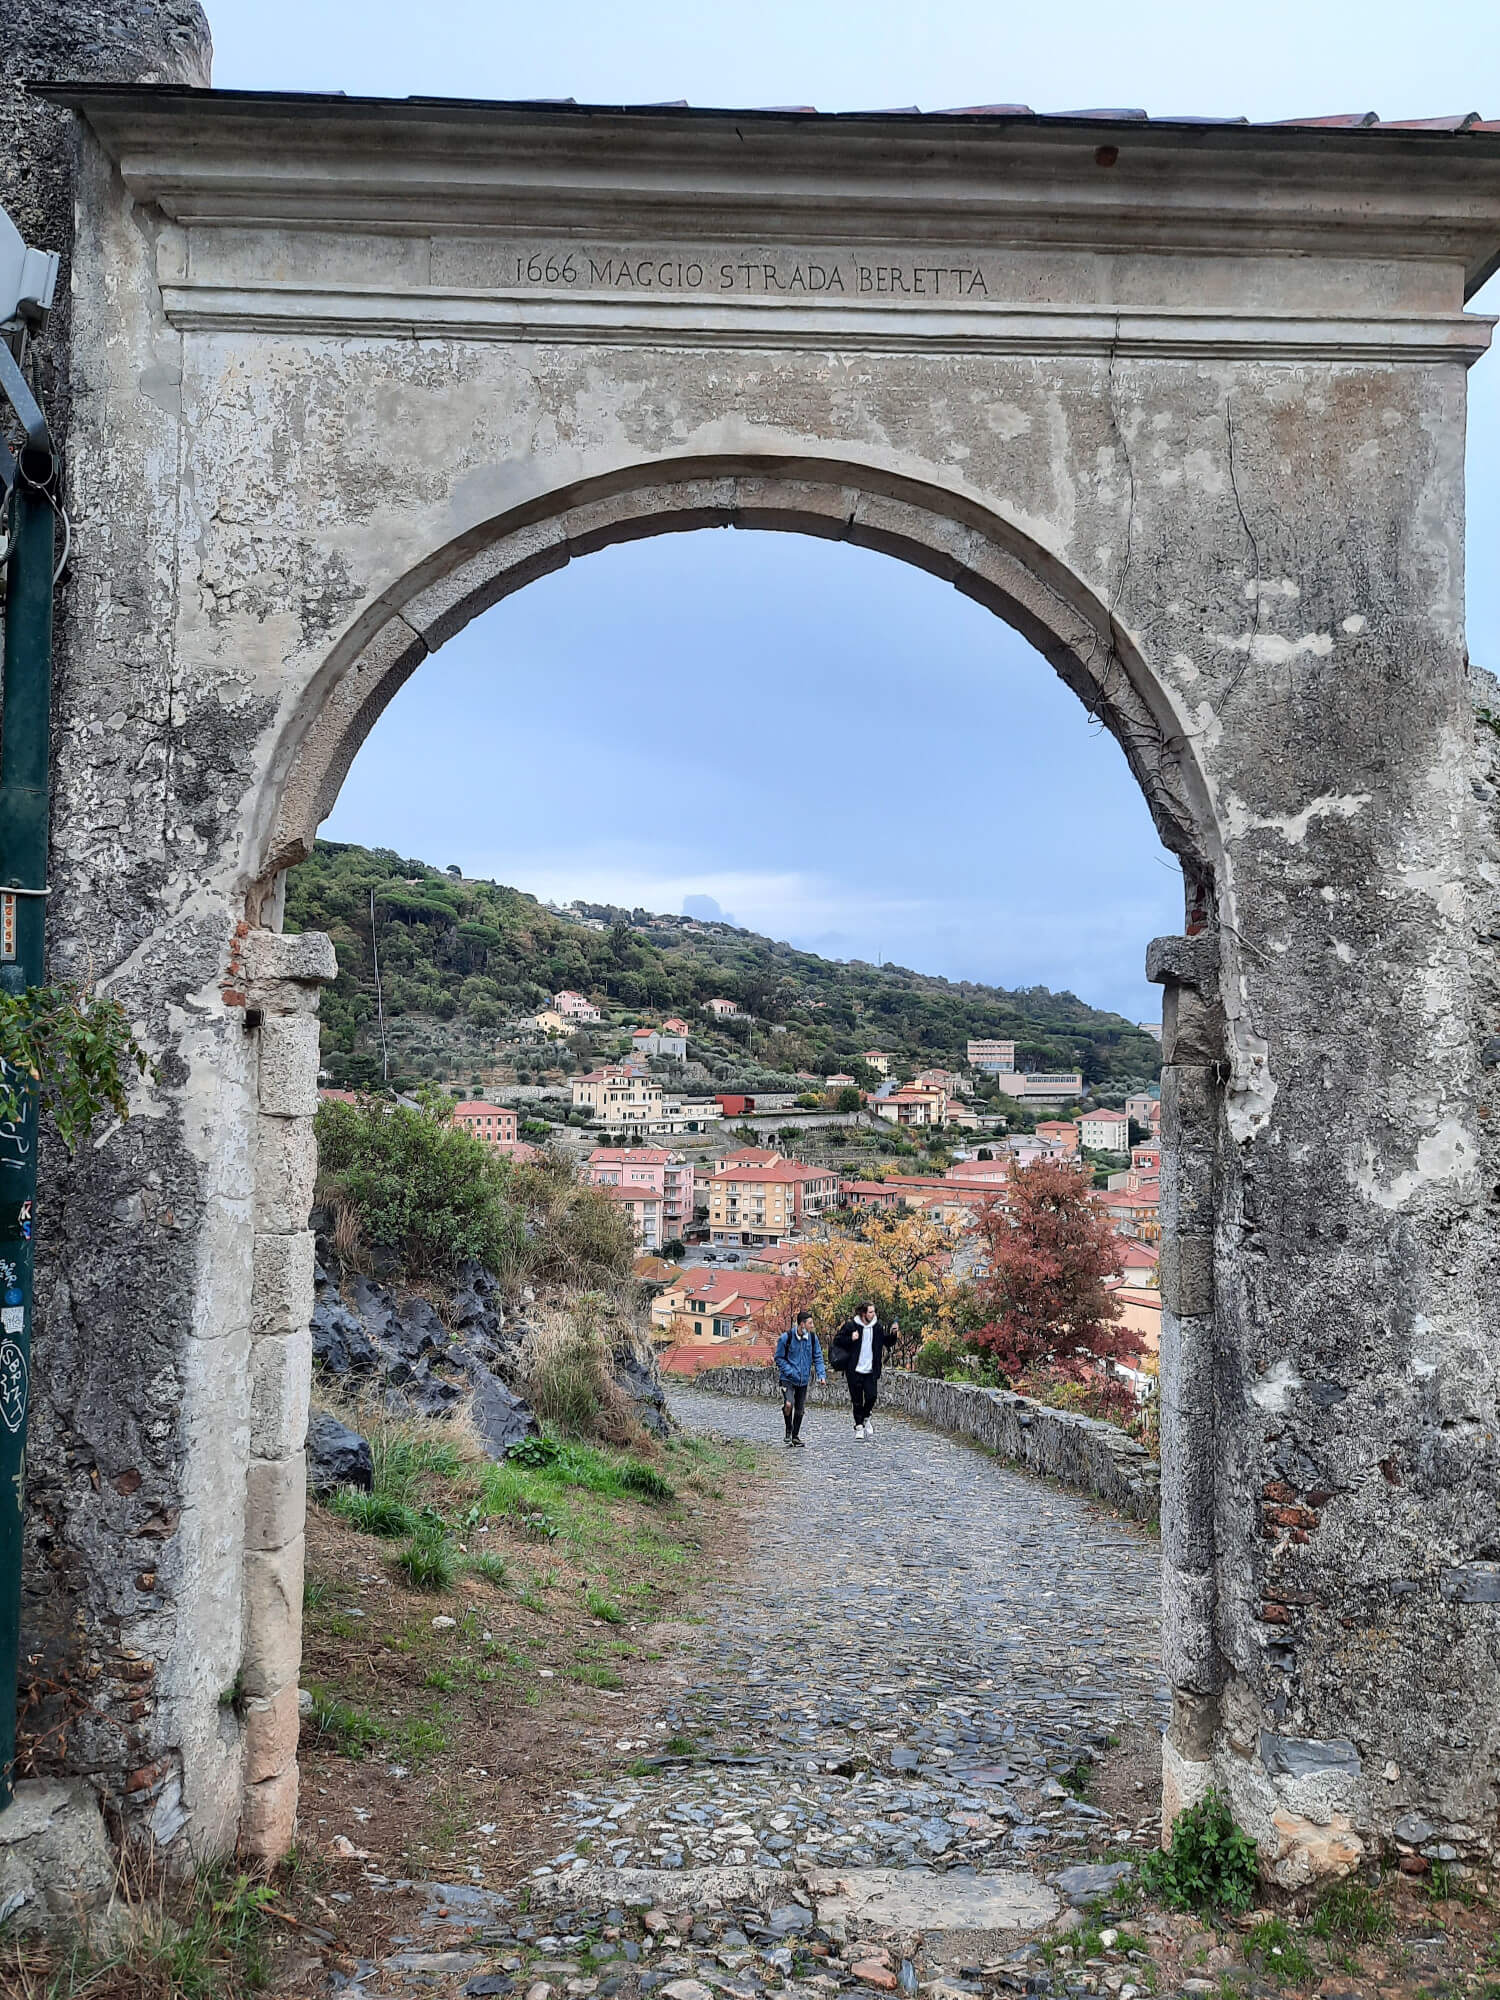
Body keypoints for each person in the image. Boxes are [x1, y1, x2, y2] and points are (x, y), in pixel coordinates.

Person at [829, 1301, 898, 1439]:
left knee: (872, 1396)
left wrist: (894, 1334)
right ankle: (859, 1426)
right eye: (870, 1312)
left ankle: (866, 1416)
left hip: (871, 1370)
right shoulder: (851, 1326)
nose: (873, 1314)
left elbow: (887, 1342)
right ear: (863, 1314)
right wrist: (851, 1338)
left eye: (874, 1312)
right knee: (857, 1400)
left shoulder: (877, 1327)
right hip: (854, 1369)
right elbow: (837, 1341)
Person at [774, 1309, 826, 1447]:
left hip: (803, 1380)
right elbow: (778, 1358)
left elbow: (818, 1357)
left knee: (800, 1409)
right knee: (789, 1404)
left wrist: (821, 1375)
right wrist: (790, 1371)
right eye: (810, 1323)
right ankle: (788, 1429)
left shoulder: (813, 1339)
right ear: (802, 1324)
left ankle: (795, 1436)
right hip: (788, 1378)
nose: (812, 1325)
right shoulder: (787, 1338)